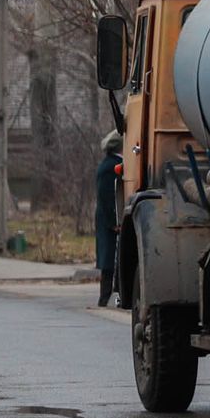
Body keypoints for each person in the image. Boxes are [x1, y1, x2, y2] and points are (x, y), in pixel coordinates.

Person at [94, 131, 122, 308]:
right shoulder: (110, 167)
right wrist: (114, 223)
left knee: (112, 261)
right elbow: (107, 197)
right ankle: (103, 299)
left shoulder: (111, 164)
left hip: (109, 220)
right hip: (109, 222)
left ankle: (107, 298)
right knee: (109, 262)